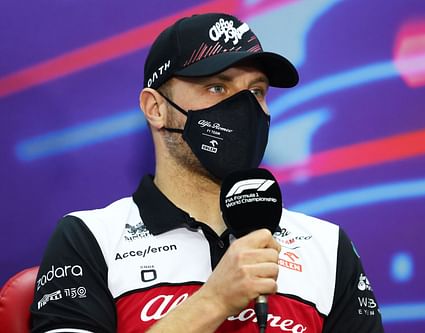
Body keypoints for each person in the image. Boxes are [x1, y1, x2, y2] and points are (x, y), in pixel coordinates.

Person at [30, 13, 384, 333]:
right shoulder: (91, 239)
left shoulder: (326, 246)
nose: (244, 108)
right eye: (217, 87)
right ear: (156, 109)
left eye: (256, 91)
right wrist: (213, 301)